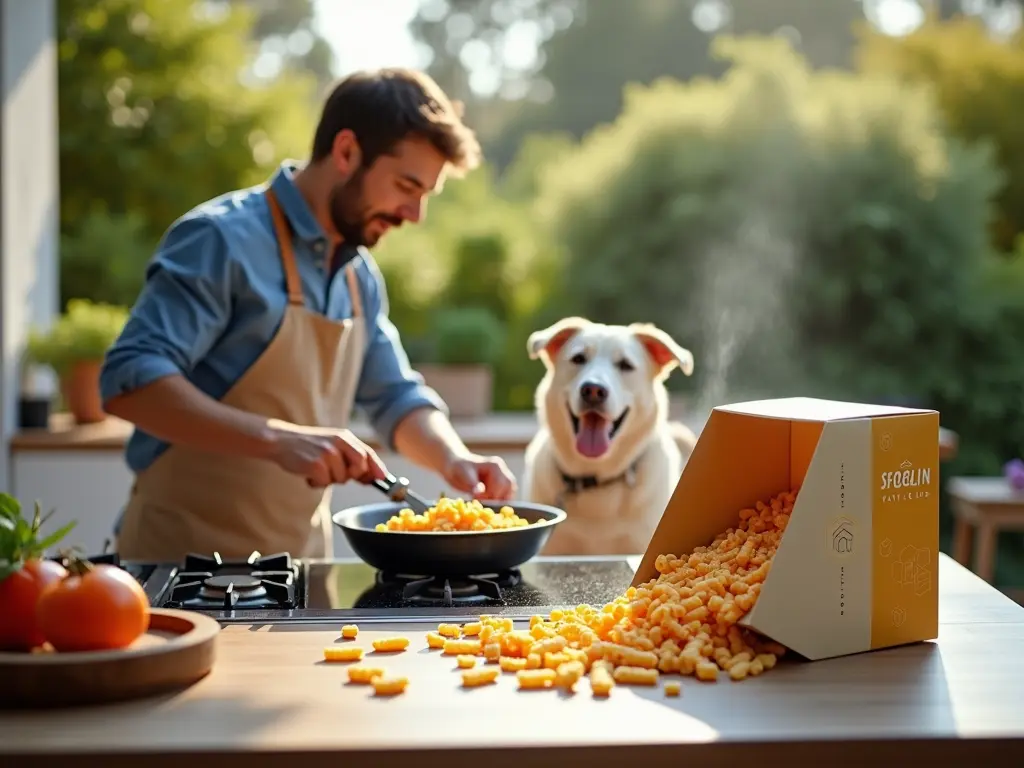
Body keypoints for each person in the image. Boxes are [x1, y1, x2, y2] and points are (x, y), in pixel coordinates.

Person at [100, 68, 517, 563]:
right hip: (179, 570)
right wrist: (276, 439)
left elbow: (396, 398)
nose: (415, 214)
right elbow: (129, 382)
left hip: (298, 571)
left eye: (425, 195)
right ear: (346, 152)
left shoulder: (359, 277)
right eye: (407, 186)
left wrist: (455, 459)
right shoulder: (220, 241)